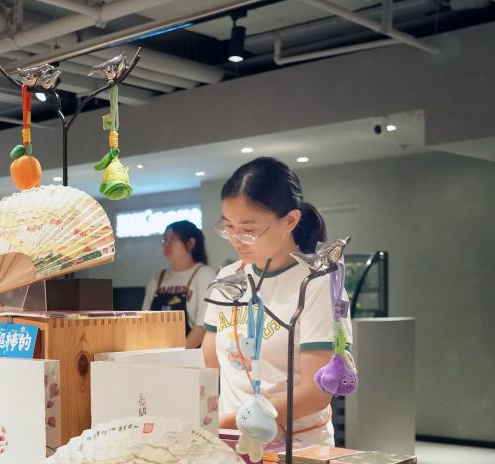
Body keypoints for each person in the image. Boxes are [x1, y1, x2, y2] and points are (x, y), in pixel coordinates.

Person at [202, 157, 352, 446]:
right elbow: (208, 366)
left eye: (248, 229)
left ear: (290, 220)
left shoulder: (316, 283)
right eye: (229, 226)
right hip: (229, 443)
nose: (236, 239)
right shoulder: (228, 278)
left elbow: (316, 392)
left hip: (295, 447)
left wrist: (227, 423)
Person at [141, 220, 215, 348]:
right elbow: (143, 321)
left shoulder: (204, 274)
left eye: (172, 240)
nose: (166, 244)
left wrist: (177, 355)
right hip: (156, 351)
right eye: (164, 240)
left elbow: (203, 326)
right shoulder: (157, 278)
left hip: (190, 354)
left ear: (190, 243)